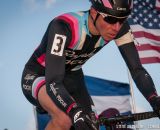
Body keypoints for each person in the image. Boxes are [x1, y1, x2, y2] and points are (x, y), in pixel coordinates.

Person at [21, 0, 160, 130]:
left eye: (122, 20)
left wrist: (154, 99)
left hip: (73, 77)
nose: (116, 27)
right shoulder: (64, 26)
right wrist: (74, 111)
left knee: (91, 124)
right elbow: (53, 82)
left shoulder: (119, 28)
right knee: (64, 119)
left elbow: (137, 69)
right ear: (94, 12)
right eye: (110, 19)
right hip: (40, 75)